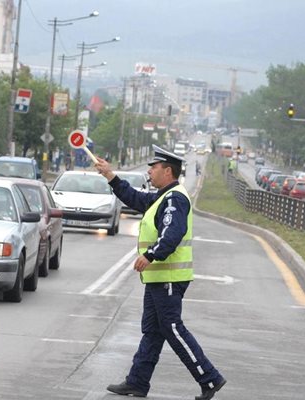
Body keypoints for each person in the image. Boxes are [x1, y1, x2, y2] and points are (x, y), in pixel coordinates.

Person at [95, 144, 226, 400]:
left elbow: (172, 234)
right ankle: (137, 382)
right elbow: (135, 198)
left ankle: (209, 378)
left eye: (153, 167)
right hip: (159, 278)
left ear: (168, 171)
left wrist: (151, 254)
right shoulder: (162, 196)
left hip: (168, 277)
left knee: (173, 328)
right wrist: (110, 176)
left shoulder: (175, 198)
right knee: (153, 331)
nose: (150, 172)